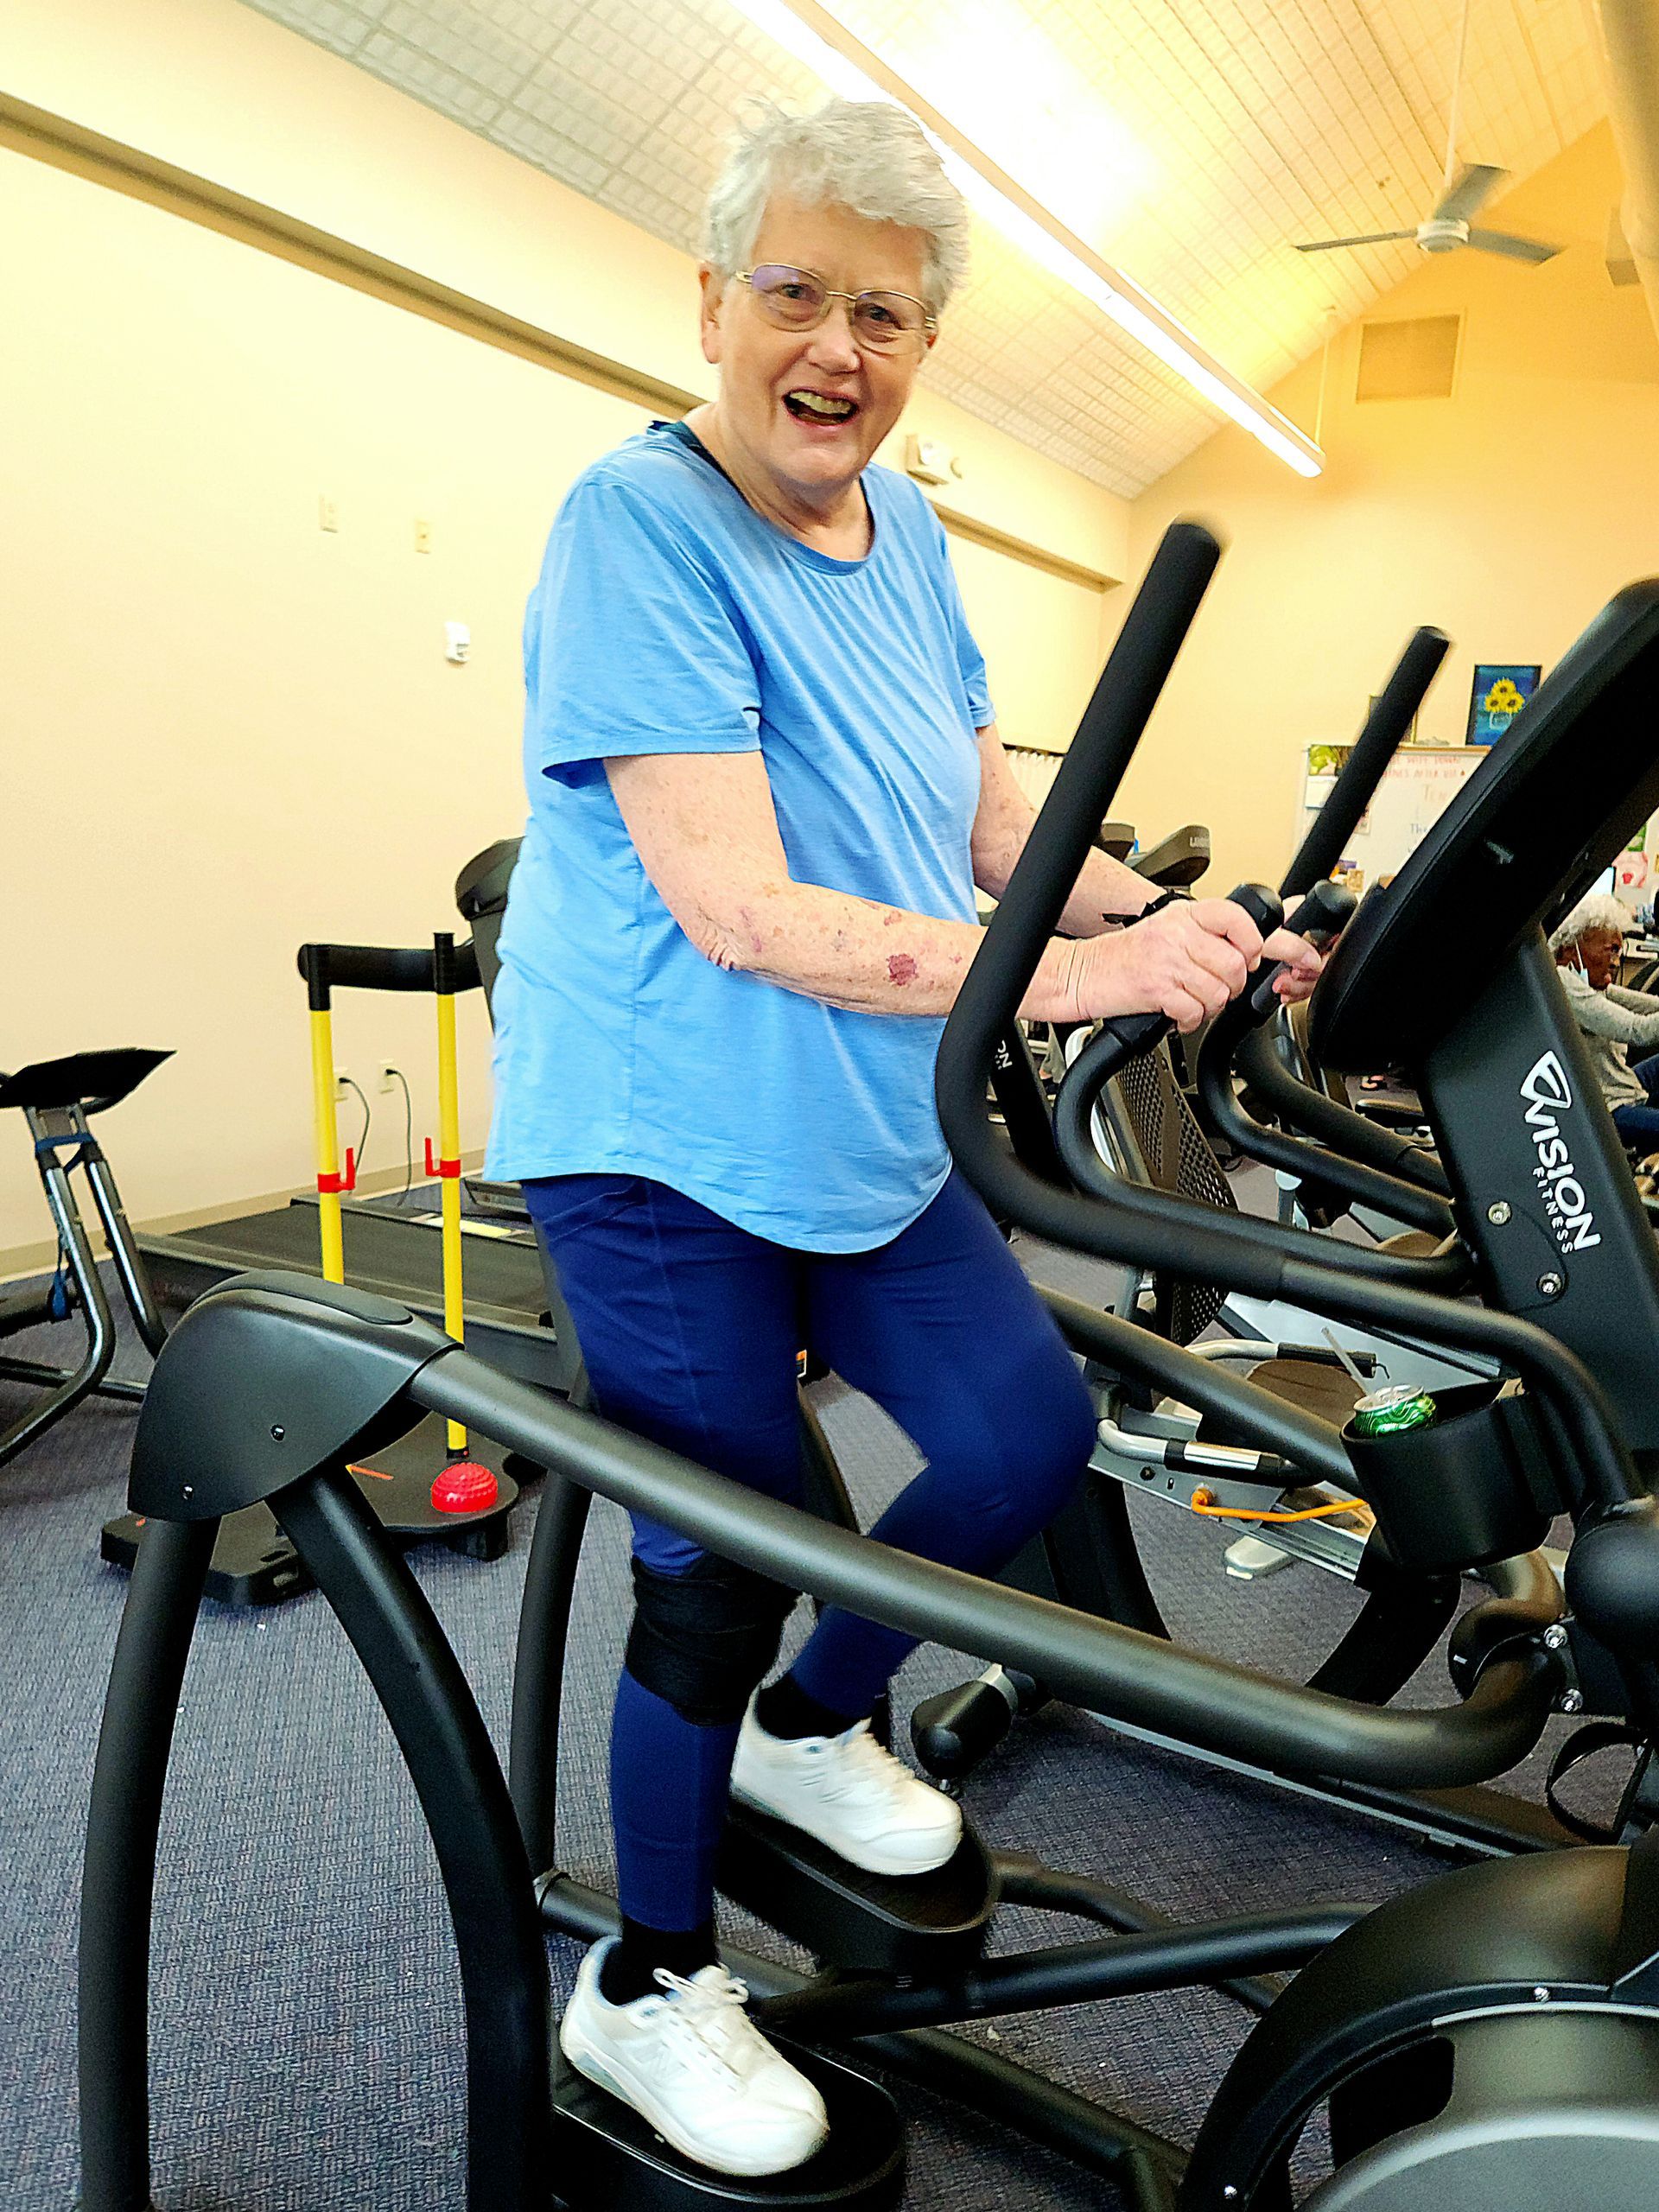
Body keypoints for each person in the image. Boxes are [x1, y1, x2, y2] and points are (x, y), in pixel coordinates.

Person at [486, 97, 1325, 2178]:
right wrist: (1076, 982)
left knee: (1024, 1433)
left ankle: (803, 1726)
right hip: (663, 1137)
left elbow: (982, 824)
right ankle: (647, 1983)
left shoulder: (919, 536)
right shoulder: (640, 524)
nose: (834, 348)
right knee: (727, 1547)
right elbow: (746, 908)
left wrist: (1164, 917)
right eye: (794, 293)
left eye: (881, 312)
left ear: (923, 343)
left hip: (857, 1116)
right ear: (714, 302)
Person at [1550, 893, 1659, 1147]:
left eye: (1619, 952)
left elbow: (1651, 1007)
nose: (1616, 961)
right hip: (1607, 1110)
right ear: (1572, 947)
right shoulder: (1564, 982)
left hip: (1623, 1087)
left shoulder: (1591, 984)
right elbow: (1638, 1029)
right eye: (1611, 950)